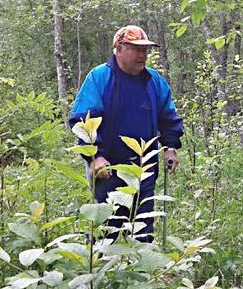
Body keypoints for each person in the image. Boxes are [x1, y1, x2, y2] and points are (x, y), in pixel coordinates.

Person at [69, 25, 184, 242]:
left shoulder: (154, 81)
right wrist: (95, 156)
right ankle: (99, 273)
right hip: (108, 168)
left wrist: (170, 148)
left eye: (145, 50)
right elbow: (83, 121)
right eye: (136, 49)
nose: (143, 55)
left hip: (144, 169)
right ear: (119, 49)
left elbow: (168, 116)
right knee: (105, 228)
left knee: (142, 228)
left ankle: (140, 272)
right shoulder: (100, 77)